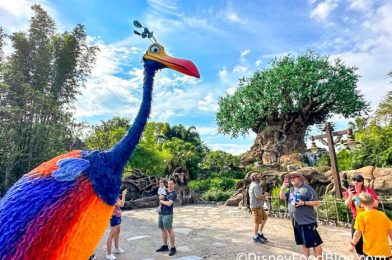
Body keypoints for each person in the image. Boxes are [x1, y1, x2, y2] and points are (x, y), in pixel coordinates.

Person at [279, 172, 323, 258]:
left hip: (307, 222)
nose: (292, 179)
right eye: (290, 178)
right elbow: (282, 197)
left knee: (315, 243)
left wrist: (304, 203)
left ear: (300, 178)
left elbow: (317, 202)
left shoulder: (307, 188)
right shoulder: (292, 189)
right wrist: (282, 188)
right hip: (296, 221)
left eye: (294, 177)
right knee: (302, 242)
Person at [348, 192, 392, 258]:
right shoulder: (382, 214)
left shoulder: (361, 216)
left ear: (361, 204)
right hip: (385, 252)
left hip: (370, 252)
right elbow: (390, 230)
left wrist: (352, 244)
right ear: (373, 202)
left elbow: (357, 233)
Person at [344, 174, 378, 257]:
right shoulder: (349, 192)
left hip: (369, 218)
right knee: (357, 239)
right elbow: (347, 204)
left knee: (369, 238)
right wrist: (351, 195)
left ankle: (369, 255)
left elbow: (376, 204)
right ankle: (361, 256)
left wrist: (365, 201)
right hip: (357, 218)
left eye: (358, 180)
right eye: (354, 180)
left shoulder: (368, 191)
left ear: (362, 182)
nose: (356, 182)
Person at [156, 179, 177, 256]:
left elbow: (169, 203)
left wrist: (161, 201)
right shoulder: (165, 190)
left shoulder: (174, 193)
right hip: (161, 212)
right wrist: (160, 198)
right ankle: (165, 246)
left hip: (168, 214)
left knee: (169, 230)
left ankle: (173, 248)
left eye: (171, 184)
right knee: (162, 229)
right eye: (168, 184)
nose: (170, 185)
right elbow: (161, 197)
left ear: (174, 184)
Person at [106, 189, 127, 260]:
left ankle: (116, 248)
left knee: (117, 232)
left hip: (118, 216)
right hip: (114, 216)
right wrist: (123, 195)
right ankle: (108, 254)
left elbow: (122, 204)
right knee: (111, 235)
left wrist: (123, 196)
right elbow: (121, 204)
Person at [248, 172, 268, 243]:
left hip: (259, 206)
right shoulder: (255, 185)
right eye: (258, 177)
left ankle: (260, 233)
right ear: (254, 178)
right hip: (256, 206)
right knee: (257, 222)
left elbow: (258, 194)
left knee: (265, 218)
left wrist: (262, 194)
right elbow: (258, 196)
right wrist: (265, 194)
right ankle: (255, 236)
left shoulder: (255, 184)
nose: (260, 178)